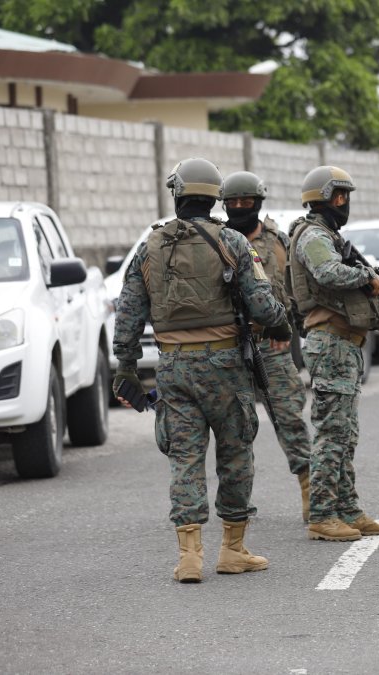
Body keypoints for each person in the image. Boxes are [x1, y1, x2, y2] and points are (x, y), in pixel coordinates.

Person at [112, 158, 292, 582]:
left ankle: (189, 557)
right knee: (235, 453)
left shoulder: (151, 247)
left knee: (184, 456)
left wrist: (125, 367)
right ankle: (232, 550)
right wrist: (281, 323)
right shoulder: (231, 240)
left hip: (173, 367)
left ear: (177, 195)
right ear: (215, 197)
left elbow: (129, 314)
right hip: (226, 366)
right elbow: (263, 306)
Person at [288, 166, 379, 542]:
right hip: (330, 342)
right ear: (322, 198)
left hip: (346, 345)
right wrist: (366, 279)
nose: (344, 204)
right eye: (339, 197)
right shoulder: (312, 236)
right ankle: (323, 515)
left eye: (346, 197)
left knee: (346, 433)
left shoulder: (329, 235)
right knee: (331, 432)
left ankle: (347, 507)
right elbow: (327, 273)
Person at [220, 171, 312, 522]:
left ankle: (309, 488)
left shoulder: (279, 241)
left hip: (272, 344)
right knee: (235, 427)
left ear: (259, 203)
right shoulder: (218, 241)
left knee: (289, 416)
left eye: (247, 203)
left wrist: (301, 332)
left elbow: (295, 290)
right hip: (228, 347)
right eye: (234, 203)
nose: (241, 208)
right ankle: (237, 504)